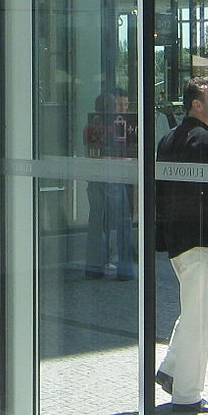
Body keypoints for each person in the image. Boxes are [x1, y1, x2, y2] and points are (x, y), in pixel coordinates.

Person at [153, 78, 208, 413]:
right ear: (196, 104)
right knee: (200, 319)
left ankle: (172, 371)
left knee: (193, 311)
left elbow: (161, 192)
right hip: (198, 239)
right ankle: (188, 394)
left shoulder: (169, 138)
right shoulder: (202, 140)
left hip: (178, 240)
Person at [85, 86, 136, 281]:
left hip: (95, 180)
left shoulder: (91, 127)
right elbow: (121, 155)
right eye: (116, 105)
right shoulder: (118, 126)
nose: (119, 108)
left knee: (96, 223)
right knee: (123, 223)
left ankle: (94, 266)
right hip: (114, 178)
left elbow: (91, 153)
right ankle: (125, 268)